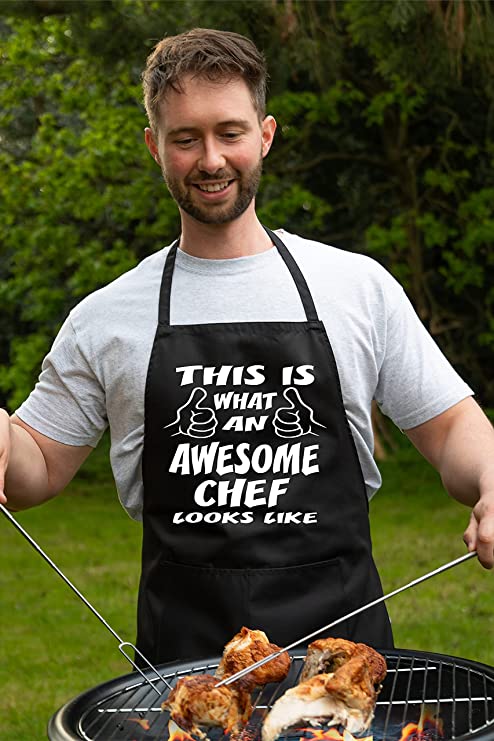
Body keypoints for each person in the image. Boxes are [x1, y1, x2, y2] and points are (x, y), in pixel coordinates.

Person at [1, 28, 494, 666]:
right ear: (155, 146)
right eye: (186, 138)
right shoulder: (106, 317)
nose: (211, 160)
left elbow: (454, 426)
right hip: (182, 686)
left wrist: (490, 478)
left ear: (264, 135)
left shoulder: (354, 287)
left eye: (229, 133)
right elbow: (35, 465)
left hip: (346, 673)